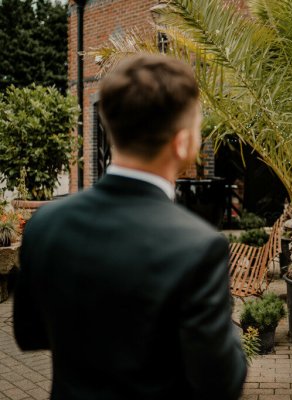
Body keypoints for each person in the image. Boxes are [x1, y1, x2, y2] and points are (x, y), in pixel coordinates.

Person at [13, 55, 247, 400]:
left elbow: (29, 334)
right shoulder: (199, 248)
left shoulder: (45, 224)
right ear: (183, 143)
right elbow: (222, 382)